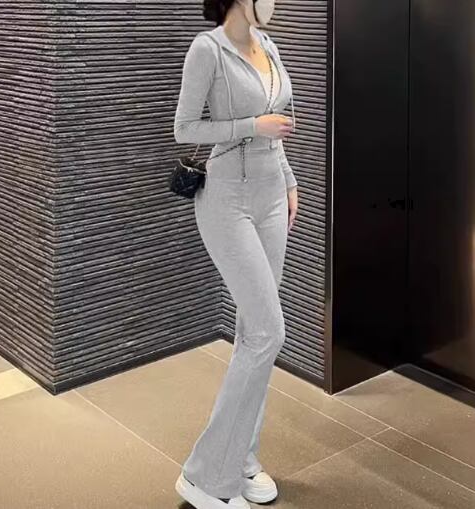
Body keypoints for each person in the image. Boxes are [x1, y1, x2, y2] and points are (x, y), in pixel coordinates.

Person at [173, 1, 299, 508]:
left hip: (271, 197)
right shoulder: (207, 50)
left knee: (255, 335)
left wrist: (288, 180)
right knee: (269, 331)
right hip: (228, 200)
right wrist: (252, 125)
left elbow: (280, 123)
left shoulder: (268, 45)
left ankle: (242, 459)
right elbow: (185, 128)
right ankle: (206, 477)